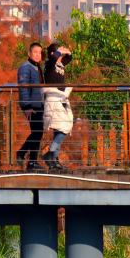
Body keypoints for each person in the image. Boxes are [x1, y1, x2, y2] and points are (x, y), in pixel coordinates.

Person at [42, 42, 75, 171]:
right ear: (53, 54)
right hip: (54, 99)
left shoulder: (59, 64)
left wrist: (68, 51)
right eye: (59, 53)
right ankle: (50, 154)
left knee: (59, 131)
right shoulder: (49, 64)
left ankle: (54, 161)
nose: (61, 57)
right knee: (64, 128)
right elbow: (53, 59)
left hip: (59, 99)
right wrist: (58, 52)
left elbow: (69, 58)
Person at [17, 42, 46, 170]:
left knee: (38, 132)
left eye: (40, 53)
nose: (38, 55)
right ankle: (22, 153)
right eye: (35, 52)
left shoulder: (36, 67)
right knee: (37, 131)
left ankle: (32, 162)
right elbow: (23, 88)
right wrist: (27, 106)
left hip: (38, 104)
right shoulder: (25, 67)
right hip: (31, 105)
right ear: (29, 53)